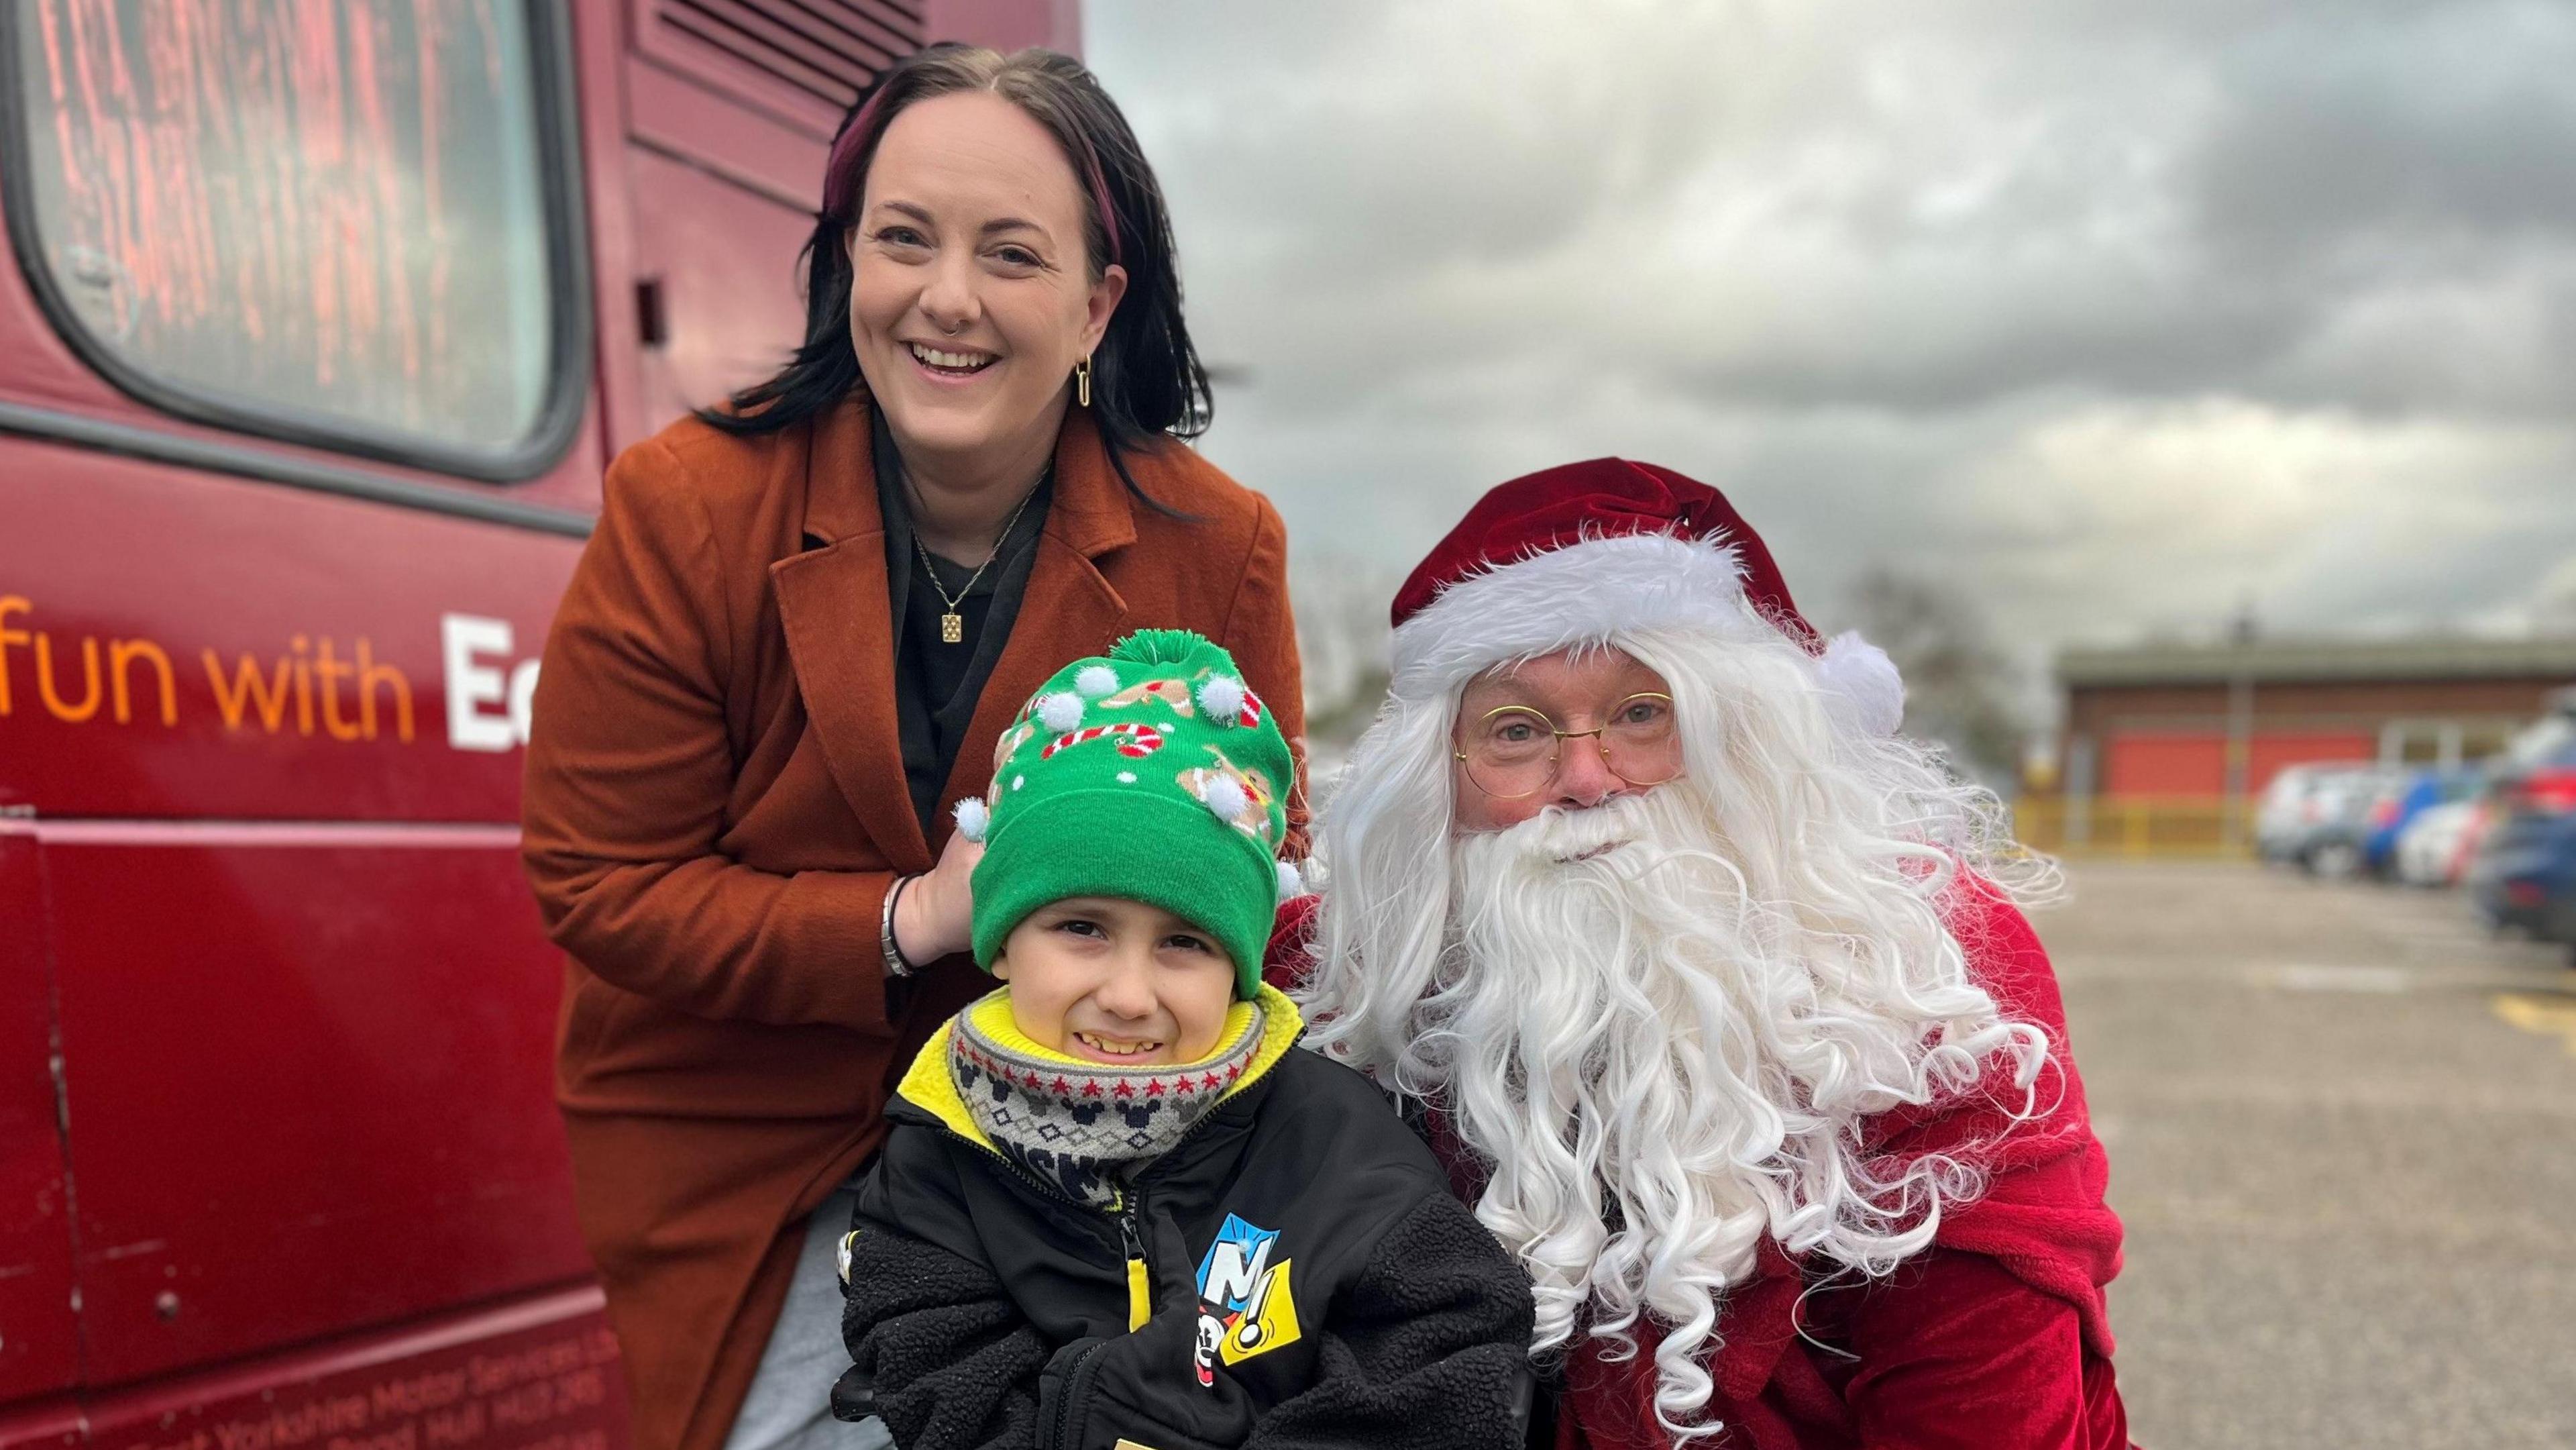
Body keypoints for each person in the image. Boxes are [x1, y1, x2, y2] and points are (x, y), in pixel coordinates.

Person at [519, 46, 1302, 1450]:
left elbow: (1261, 893)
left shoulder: (1221, 545)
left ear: (1095, 306)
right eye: (903, 241)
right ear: (847, 269)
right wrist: (908, 922)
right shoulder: (682, 506)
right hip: (756, 1147)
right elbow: (602, 884)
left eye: (1012, 254)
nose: (947, 298)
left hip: (1108, 1130)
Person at [1282, 460, 2129, 1449]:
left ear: (1748, 741)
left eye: (1645, 713)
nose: (1589, 779)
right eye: (1518, 731)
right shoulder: (1387, 963)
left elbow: (1985, 1413)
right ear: (1441, 787)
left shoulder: (1914, 971)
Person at [831, 631, 1533, 1450]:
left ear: (1236, 968)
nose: (1129, 996)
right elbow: (940, 1385)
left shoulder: (1332, 1138)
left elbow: (1451, 1362)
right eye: (1081, 928)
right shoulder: (941, 1144)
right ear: (999, 943)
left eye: (1184, 943)